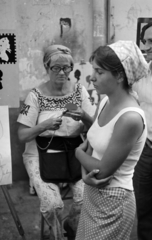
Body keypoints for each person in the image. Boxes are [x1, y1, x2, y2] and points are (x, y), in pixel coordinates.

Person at [17, 44, 96, 240]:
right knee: (52, 204)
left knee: (85, 197)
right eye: (56, 68)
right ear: (46, 67)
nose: (62, 72)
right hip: (41, 151)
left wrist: (84, 116)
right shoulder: (35, 96)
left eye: (66, 68)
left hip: (74, 151)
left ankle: (71, 222)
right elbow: (23, 135)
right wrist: (44, 125)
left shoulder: (78, 91)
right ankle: (58, 233)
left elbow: (95, 126)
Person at [74, 40, 149, 240]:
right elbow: (92, 146)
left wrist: (77, 153)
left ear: (119, 75)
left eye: (99, 72)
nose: (92, 77)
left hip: (114, 200)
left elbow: (102, 172)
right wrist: (84, 175)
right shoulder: (106, 100)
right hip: (92, 193)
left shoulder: (130, 118)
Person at [133, 21, 152, 240]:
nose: (145, 46)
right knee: (143, 207)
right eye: (145, 41)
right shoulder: (139, 75)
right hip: (146, 150)